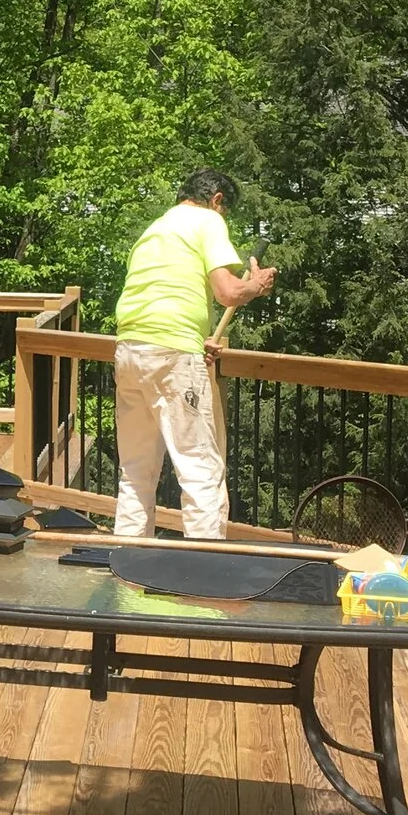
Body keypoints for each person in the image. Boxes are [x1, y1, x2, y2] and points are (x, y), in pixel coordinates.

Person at [111, 169, 276, 539]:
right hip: (174, 355)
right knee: (200, 469)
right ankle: (204, 568)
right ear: (217, 200)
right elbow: (228, 292)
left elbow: (167, 295)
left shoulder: (154, 230)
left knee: (136, 470)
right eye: (225, 211)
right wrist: (255, 285)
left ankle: (126, 561)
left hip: (130, 350)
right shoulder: (207, 221)